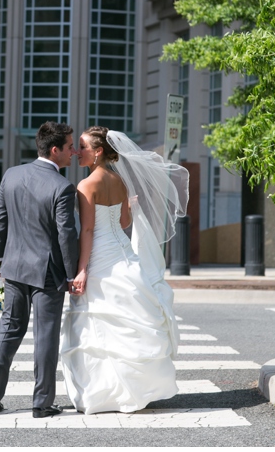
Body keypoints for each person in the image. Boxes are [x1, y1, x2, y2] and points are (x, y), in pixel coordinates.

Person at [59, 126, 189, 415]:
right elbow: (125, 222)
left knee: (96, 326)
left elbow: (88, 230)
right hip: (123, 253)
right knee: (127, 318)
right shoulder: (121, 182)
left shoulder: (85, 185)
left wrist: (81, 270)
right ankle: (133, 391)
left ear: (98, 152)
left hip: (100, 257)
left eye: (82, 147)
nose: (78, 152)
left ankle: (103, 394)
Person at [0, 121, 80, 419]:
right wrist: (71, 274)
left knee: (9, 329)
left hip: (13, 268)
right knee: (45, 335)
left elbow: (0, 220)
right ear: (55, 150)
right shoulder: (62, 187)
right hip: (47, 273)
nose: (74, 152)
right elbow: (66, 234)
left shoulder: (11, 174)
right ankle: (42, 402)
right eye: (70, 147)